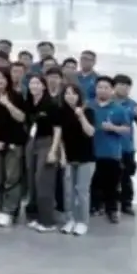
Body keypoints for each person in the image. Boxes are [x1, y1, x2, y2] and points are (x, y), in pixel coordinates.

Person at [0, 69, 27, 227]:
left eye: (1, 78)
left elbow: (22, 118)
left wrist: (7, 104)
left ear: (8, 80)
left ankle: (10, 211)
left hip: (14, 143)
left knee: (12, 179)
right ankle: (1, 208)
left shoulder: (16, 96)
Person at [90, 76, 132, 223]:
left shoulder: (119, 109)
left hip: (111, 153)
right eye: (99, 87)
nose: (102, 90)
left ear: (112, 90)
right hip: (91, 152)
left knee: (112, 185)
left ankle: (112, 210)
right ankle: (94, 207)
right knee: (93, 183)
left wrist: (113, 128)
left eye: (106, 87)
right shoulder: (88, 106)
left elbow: (127, 129)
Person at [24, 72, 62, 232]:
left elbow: (58, 129)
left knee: (44, 181)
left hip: (47, 142)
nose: (34, 86)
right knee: (32, 181)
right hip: (32, 142)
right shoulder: (29, 103)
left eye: (37, 83)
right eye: (31, 83)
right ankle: (35, 216)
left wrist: (53, 151)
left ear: (44, 86)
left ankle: (48, 221)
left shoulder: (51, 104)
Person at [57, 83, 96, 235]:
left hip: (86, 157)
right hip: (69, 157)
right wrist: (62, 155)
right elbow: (60, 136)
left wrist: (81, 116)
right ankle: (70, 219)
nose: (70, 96)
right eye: (67, 93)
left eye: (73, 93)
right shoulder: (61, 113)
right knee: (68, 191)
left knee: (82, 190)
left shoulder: (88, 111)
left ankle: (83, 221)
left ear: (79, 96)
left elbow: (90, 132)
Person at [112, 74, 137, 217]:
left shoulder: (133, 105)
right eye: (121, 85)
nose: (124, 88)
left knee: (126, 177)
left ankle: (126, 203)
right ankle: (108, 204)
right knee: (109, 177)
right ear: (114, 87)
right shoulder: (107, 102)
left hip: (127, 147)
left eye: (127, 86)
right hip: (110, 147)